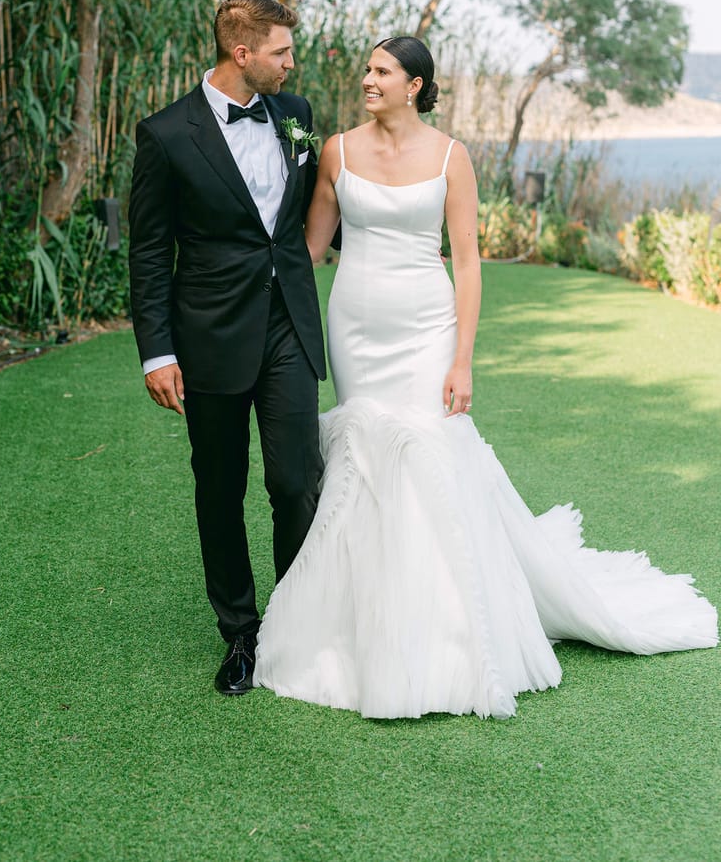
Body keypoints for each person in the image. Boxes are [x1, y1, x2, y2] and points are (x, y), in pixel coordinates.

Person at [254, 36, 718, 719]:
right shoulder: (338, 150)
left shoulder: (451, 157)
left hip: (425, 325)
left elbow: (466, 263)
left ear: (415, 84)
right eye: (367, 70)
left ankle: (444, 628)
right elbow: (307, 251)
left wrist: (462, 357)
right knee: (369, 457)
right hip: (356, 326)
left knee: (429, 453)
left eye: (381, 71)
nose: (367, 80)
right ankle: (366, 618)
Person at [128, 0, 326, 696]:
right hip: (208, 335)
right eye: (281, 53)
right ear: (242, 54)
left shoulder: (296, 115)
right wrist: (157, 352)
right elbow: (150, 253)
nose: (291, 64)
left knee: (295, 479)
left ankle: (300, 623)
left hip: (287, 328)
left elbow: (309, 216)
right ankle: (241, 636)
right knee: (220, 488)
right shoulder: (167, 134)